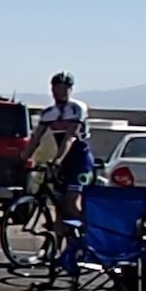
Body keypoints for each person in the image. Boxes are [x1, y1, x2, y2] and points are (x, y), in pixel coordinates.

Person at [21, 71, 92, 221]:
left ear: (70, 90)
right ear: (52, 89)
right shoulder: (48, 113)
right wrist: (21, 159)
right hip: (62, 161)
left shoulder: (77, 108)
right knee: (59, 209)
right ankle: (58, 244)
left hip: (80, 160)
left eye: (65, 88)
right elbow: (35, 139)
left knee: (71, 205)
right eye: (57, 87)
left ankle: (89, 237)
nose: (61, 91)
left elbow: (69, 138)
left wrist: (57, 161)